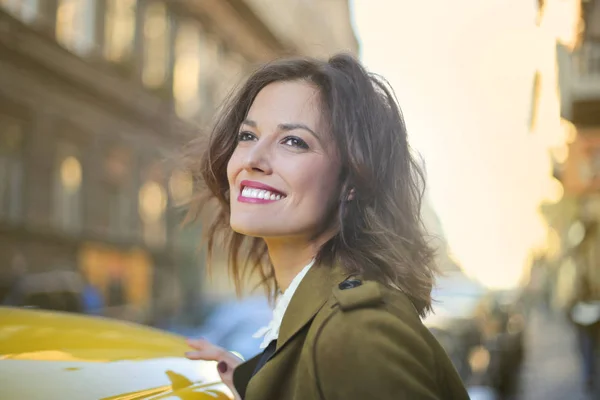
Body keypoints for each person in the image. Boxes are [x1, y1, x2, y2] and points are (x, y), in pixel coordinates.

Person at [184, 53, 470, 400]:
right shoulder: (320, 324)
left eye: (293, 141)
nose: (252, 160)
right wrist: (258, 380)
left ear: (351, 182)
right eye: (248, 135)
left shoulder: (357, 332)